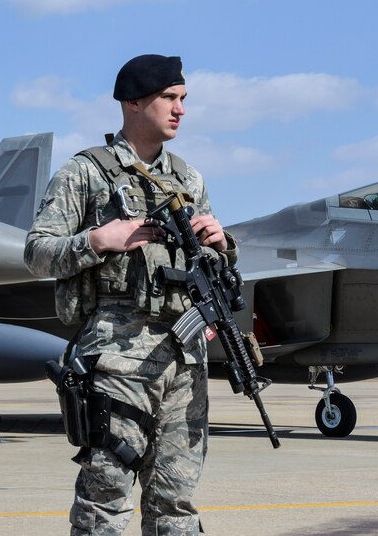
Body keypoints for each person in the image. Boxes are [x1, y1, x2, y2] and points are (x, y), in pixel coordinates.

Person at [25, 54, 236, 535]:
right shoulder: (86, 173)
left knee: (176, 501)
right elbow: (37, 252)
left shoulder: (189, 179)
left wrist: (221, 247)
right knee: (106, 497)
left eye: (183, 99)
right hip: (117, 357)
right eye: (169, 98)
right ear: (134, 103)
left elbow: (214, 269)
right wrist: (99, 240)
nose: (180, 109)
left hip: (182, 359)